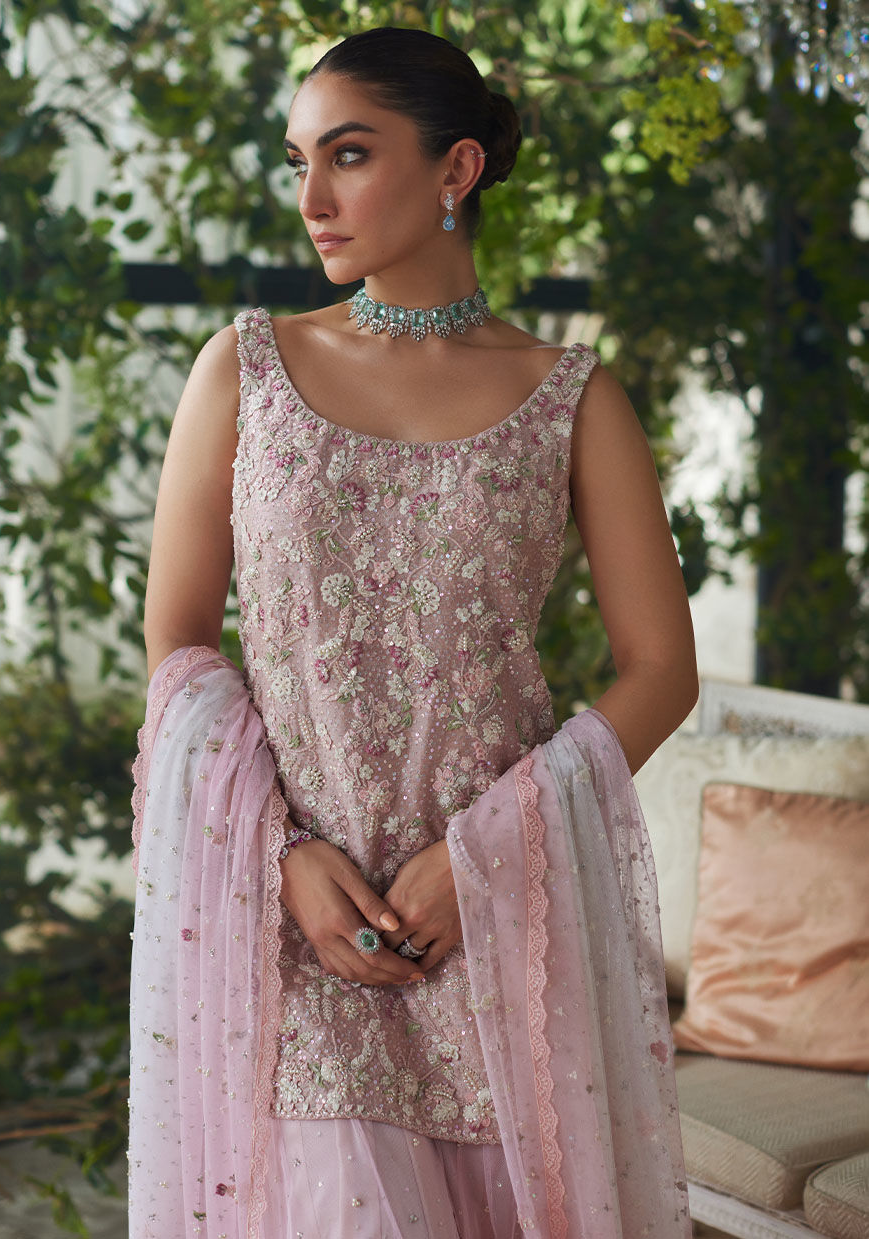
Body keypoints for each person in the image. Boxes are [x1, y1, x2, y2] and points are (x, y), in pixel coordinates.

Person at [129, 25, 698, 1239]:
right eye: (300, 162)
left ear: (457, 169)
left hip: (497, 928)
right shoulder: (244, 370)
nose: (312, 200)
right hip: (300, 930)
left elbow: (662, 671)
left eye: (348, 155)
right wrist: (281, 855)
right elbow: (178, 638)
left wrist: (485, 855)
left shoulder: (571, 397)